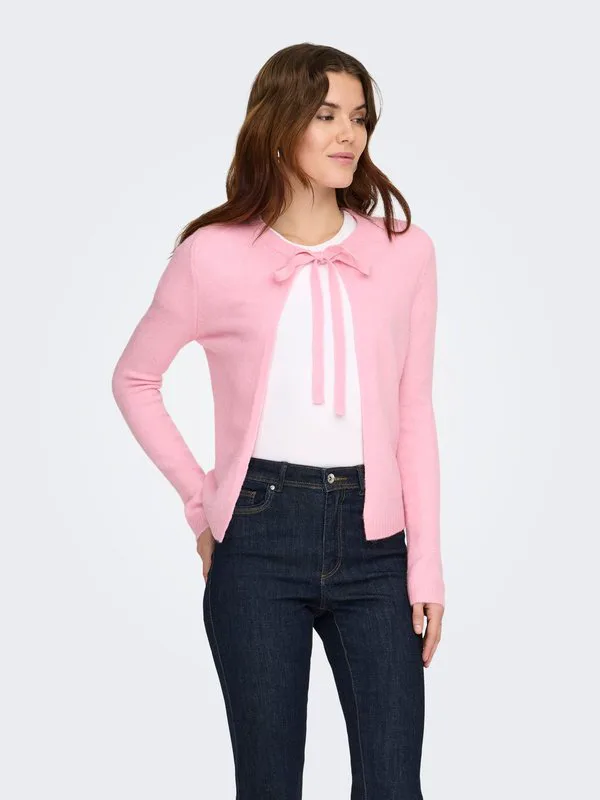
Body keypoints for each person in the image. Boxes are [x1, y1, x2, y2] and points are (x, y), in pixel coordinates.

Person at [112, 42, 445, 800]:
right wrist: (202, 502)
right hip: (258, 537)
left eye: (359, 117)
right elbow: (134, 378)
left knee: (394, 784)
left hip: (376, 544)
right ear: (277, 123)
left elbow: (414, 411)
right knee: (268, 785)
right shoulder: (211, 255)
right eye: (326, 115)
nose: (349, 134)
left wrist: (425, 565)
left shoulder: (406, 252)